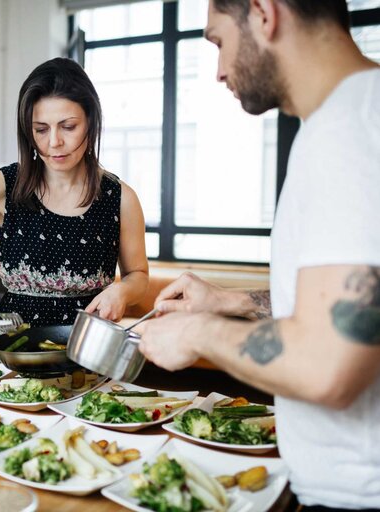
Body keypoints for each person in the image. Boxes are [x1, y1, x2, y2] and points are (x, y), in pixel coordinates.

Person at [136, 0, 379, 509]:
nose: (220, 71)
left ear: (264, 14)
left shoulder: (344, 134)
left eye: (219, 41)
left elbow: (327, 363)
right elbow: (358, 306)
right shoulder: (360, 113)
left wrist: (196, 332)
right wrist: (232, 301)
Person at [0, 58, 149, 326]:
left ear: (91, 123)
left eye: (68, 127)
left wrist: (121, 291)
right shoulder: (1, 187)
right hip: (14, 358)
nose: (54, 142)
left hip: (88, 357)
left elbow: (137, 275)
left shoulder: (121, 198)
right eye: (41, 129)